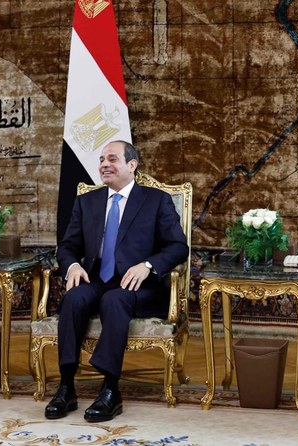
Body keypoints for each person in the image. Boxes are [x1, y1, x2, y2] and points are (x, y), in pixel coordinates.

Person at [45, 140, 189, 422]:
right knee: (74, 298)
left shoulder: (155, 200)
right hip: (96, 277)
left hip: (138, 285)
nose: (104, 165)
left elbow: (178, 247)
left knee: (115, 299)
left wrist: (148, 265)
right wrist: (72, 264)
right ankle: (66, 387)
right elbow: (67, 246)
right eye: (101, 160)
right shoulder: (87, 202)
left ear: (131, 165)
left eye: (112, 159)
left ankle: (110, 389)